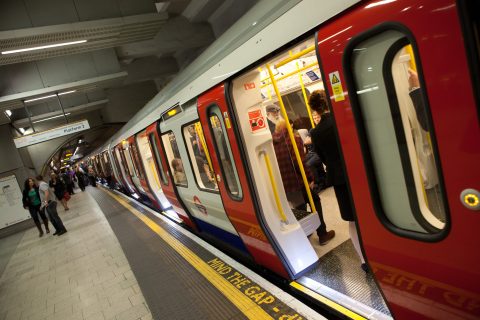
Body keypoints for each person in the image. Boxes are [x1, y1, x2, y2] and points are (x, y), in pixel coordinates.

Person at [309, 90, 366, 272]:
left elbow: (322, 157)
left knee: (352, 220)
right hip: (358, 172)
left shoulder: (316, 133)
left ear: (315, 109)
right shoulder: (344, 119)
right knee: (367, 214)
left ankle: (364, 261)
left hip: (339, 178)